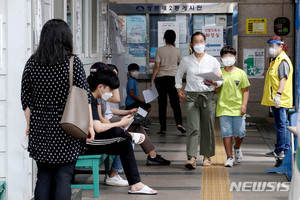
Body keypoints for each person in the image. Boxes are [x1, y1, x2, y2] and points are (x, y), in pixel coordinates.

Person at [21, 19, 95, 200]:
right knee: (63, 176)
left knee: (43, 176)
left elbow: (25, 100)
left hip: (40, 129)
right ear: (66, 38)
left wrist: (30, 124)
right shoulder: (72, 62)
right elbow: (85, 96)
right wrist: (90, 126)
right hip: (67, 128)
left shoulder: (32, 63)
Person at [89, 63, 170, 187]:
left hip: (95, 135)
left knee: (125, 138)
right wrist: (121, 124)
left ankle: (135, 183)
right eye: (110, 88)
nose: (111, 92)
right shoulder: (90, 97)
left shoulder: (95, 97)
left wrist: (123, 120)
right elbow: (99, 126)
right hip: (87, 141)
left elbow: (103, 117)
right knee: (125, 138)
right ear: (101, 85)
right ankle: (117, 176)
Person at [175, 32, 223, 169]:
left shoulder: (212, 60)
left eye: (201, 41)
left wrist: (214, 81)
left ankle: (207, 156)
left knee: (207, 127)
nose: (199, 44)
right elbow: (178, 75)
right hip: (192, 96)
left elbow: (219, 80)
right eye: (196, 42)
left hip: (208, 96)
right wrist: (179, 90)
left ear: (205, 42)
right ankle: (191, 157)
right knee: (192, 128)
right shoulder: (186, 60)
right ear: (191, 44)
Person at [215, 46, 250, 167]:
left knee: (241, 133)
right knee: (226, 133)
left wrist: (244, 105)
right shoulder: (219, 73)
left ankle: (237, 147)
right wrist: (214, 83)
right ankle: (229, 157)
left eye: (230, 56)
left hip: (238, 108)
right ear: (221, 59)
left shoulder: (241, 73)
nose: (228, 59)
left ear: (235, 58)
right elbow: (216, 91)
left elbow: (245, 90)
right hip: (223, 108)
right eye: (225, 56)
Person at [262, 36, 293, 159]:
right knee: (282, 124)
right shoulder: (276, 60)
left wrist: (278, 95)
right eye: (270, 46)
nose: (271, 48)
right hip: (277, 98)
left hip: (280, 99)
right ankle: (282, 149)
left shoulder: (282, 60)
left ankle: (281, 150)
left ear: (281, 46)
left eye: (273, 46)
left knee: (281, 125)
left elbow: (283, 79)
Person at [151, 30, 186, 135]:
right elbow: (179, 63)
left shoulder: (159, 50)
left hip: (161, 78)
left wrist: (152, 79)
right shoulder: (177, 50)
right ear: (174, 39)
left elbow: (157, 66)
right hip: (173, 78)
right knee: (175, 103)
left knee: (162, 104)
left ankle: (163, 128)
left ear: (164, 38)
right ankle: (179, 123)